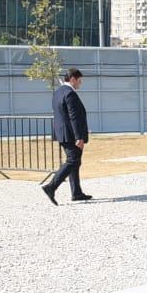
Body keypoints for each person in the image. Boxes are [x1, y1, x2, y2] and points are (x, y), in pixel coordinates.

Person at [43, 68, 92, 205]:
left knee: (74, 162)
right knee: (73, 161)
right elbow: (74, 117)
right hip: (71, 135)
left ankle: (76, 192)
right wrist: (79, 137)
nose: (80, 84)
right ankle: (51, 187)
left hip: (62, 133)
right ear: (72, 79)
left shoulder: (58, 92)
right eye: (79, 81)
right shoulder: (70, 94)